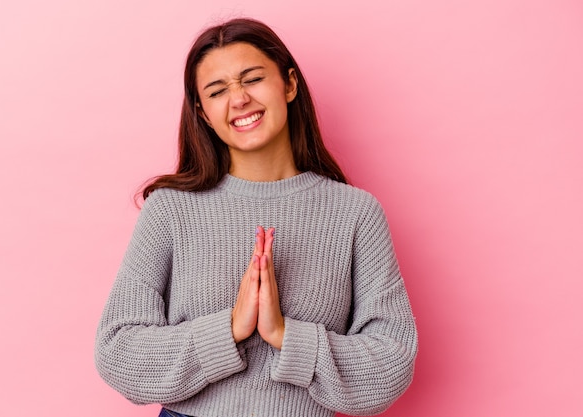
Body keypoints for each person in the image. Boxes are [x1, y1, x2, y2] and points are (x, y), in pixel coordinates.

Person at [95, 17, 417, 417]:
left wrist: (285, 336)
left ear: (289, 84)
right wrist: (228, 331)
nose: (239, 99)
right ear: (204, 113)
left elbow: (392, 363)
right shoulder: (170, 209)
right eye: (217, 91)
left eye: (252, 79)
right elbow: (117, 350)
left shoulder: (355, 213)